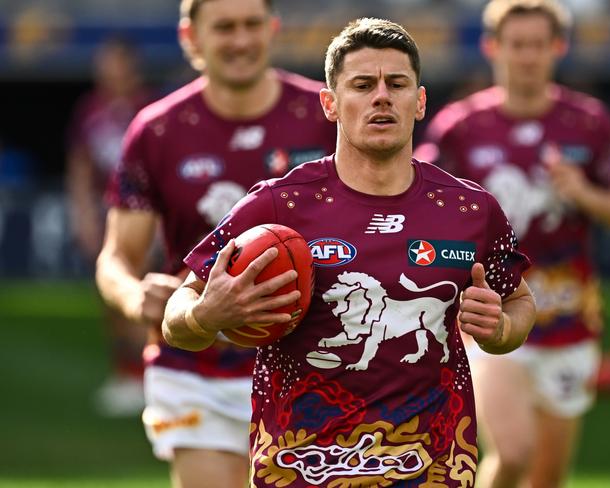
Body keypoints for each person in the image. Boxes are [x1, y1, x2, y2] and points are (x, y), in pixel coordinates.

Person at [163, 17, 537, 487]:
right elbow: (179, 311)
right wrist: (206, 314)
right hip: (301, 466)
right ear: (330, 103)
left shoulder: (471, 209)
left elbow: (520, 301)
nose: (382, 96)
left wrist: (500, 328)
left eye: (397, 84)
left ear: (419, 102)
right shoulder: (278, 205)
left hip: (430, 467)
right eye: (362, 84)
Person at [95, 0, 336, 486]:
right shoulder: (156, 130)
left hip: (313, 360)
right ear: (191, 37)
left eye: (252, 25)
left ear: (272, 29)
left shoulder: (326, 115)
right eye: (224, 27)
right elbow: (117, 256)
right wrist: (133, 294)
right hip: (195, 359)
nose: (241, 40)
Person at [414, 1, 610, 487]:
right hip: (488, 316)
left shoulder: (589, 122)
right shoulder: (459, 127)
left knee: (545, 477)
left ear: (557, 48)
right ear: (492, 47)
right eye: (516, 45)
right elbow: (416, 205)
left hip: (567, 323)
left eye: (538, 45)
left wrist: (582, 192)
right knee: (515, 451)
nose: (527, 57)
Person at [65, 36, 153, 416]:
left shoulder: (149, 107)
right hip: (107, 213)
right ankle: (126, 375)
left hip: (147, 215)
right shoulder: (90, 110)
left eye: (117, 64)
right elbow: (80, 166)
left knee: (146, 292)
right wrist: (83, 215)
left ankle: (153, 373)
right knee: (111, 298)